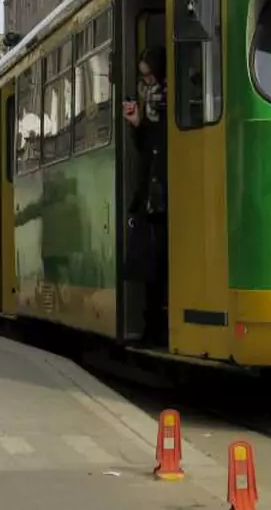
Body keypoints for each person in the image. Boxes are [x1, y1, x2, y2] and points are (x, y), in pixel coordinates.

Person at [122, 47, 168, 346]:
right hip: (151, 190)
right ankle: (152, 324)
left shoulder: (166, 96)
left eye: (147, 70)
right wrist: (137, 123)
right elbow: (146, 143)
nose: (145, 77)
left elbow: (162, 137)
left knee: (157, 261)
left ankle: (157, 326)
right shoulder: (148, 97)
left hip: (161, 189)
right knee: (150, 262)